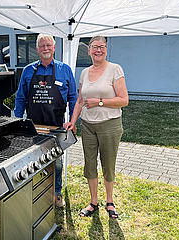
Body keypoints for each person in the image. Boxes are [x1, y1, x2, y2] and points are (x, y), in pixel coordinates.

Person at [64, 36, 128, 218]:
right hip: (88, 126)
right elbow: (80, 101)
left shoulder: (115, 69)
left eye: (102, 47)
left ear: (106, 50)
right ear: (89, 50)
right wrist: (73, 120)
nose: (98, 50)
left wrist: (100, 102)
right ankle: (93, 202)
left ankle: (110, 201)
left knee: (108, 165)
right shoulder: (84, 72)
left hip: (109, 125)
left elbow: (124, 100)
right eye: (94, 47)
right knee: (89, 165)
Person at [14, 33, 78, 208]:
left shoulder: (64, 70)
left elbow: (73, 97)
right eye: (42, 46)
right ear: (37, 49)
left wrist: (73, 121)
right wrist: (17, 121)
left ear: (54, 47)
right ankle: (34, 192)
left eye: (48, 45)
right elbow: (20, 98)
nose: (46, 49)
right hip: (33, 126)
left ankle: (57, 194)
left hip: (56, 126)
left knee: (56, 163)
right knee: (31, 162)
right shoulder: (28, 70)